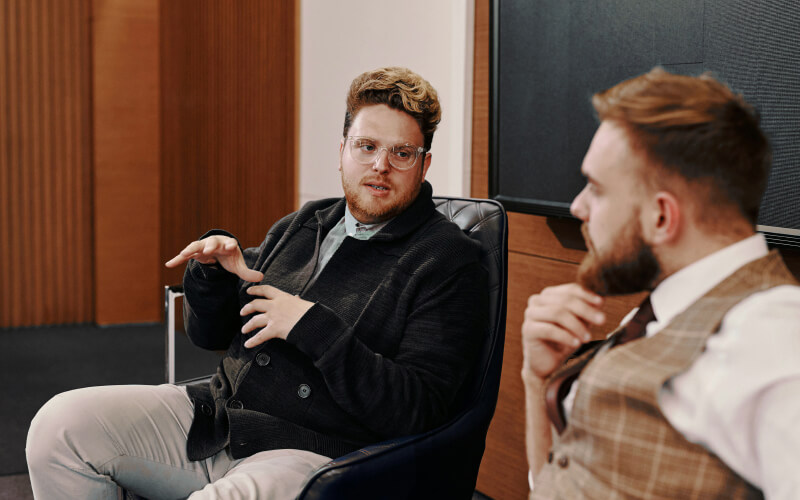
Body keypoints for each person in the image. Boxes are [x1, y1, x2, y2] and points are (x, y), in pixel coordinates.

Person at [26, 66, 488, 499]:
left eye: (401, 153)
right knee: (59, 427)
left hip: (315, 449)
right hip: (218, 417)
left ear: (424, 164)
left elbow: (418, 410)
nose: (380, 165)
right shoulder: (306, 222)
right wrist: (212, 275)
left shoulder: (447, 259)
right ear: (342, 150)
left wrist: (311, 326)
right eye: (366, 146)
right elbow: (210, 336)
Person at [522, 67, 800, 499]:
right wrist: (537, 378)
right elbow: (558, 479)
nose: (578, 206)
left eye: (595, 188)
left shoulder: (773, 337)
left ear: (661, 216)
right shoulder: (658, 313)